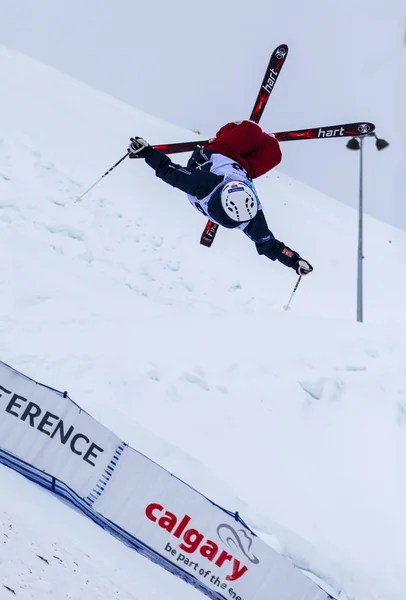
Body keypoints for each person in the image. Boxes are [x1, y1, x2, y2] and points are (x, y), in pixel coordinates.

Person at [127, 120, 313, 276]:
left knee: (253, 130)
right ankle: (247, 143)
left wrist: (147, 152)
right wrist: (296, 261)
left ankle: (221, 136)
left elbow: (169, 171)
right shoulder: (252, 217)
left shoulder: (204, 185)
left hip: (217, 154)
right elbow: (269, 245)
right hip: (241, 169)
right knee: (274, 153)